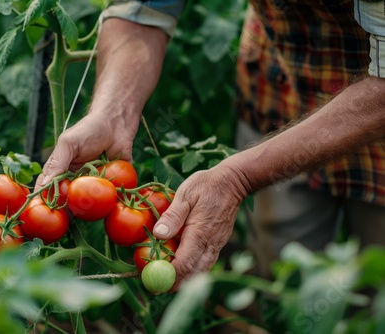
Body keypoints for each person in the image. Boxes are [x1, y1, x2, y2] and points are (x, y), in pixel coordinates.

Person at [36, 0, 385, 290]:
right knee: (282, 274)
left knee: (377, 284)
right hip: (278, 86)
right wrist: (114, 112)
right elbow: (142, 9)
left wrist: (239, 178)